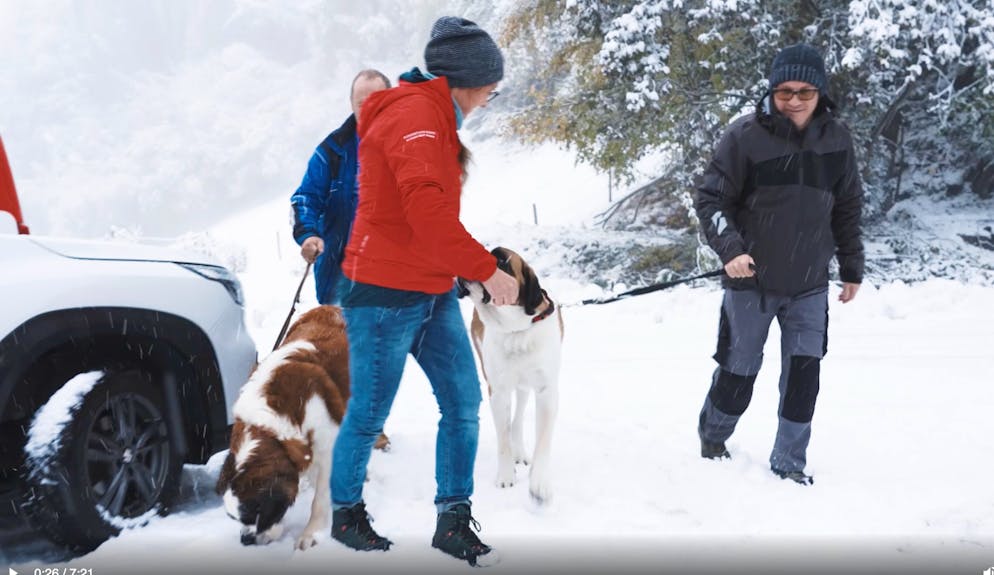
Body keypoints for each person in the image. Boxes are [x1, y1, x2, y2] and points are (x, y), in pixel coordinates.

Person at [328, 16, 517, 567]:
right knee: (368, 411)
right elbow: (427, 213)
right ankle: (345, 513)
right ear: (465, 81)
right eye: (490, 90)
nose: (488, 101)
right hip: (383, 293)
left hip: (430, 288)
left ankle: (453, 519)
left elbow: (426, 220)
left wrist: (457, 270)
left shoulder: (432, 114)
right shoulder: (417, 117)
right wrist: (487, 270)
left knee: (462, 402)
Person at [694, 43, 864, 485]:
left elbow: (847, 206)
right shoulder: (744, 137)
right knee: (739, 369)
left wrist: (851, 265)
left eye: (805, 91)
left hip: (810, 283)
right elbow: (711, 199)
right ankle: (713, 435)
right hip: (751, 282)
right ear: (771, 90)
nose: (793, 99)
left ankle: (790, 464)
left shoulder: (837, 139)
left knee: (804, 375)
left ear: (820, 93)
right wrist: (731, 250)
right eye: (784, 90)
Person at [290, 69, 391, 304]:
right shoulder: (331, 151)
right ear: (351, 105)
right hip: (341, 283)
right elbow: (305, 198)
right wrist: (308, 235)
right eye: (361, 103)